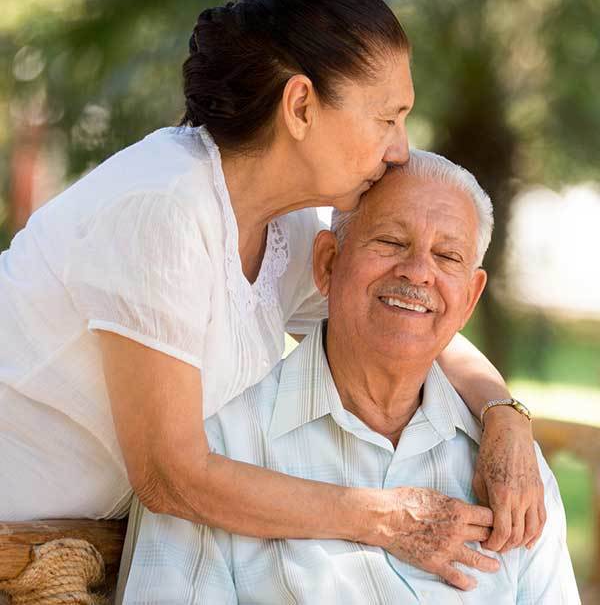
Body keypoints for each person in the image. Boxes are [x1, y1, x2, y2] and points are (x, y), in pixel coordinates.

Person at [0, 0, 542, 580]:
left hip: (60, 553)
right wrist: (384, 519)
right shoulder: (163, 207)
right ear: (301, 105)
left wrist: (505, 419)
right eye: (387, 118)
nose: (399, 149)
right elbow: (171, 476)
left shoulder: (285, 227)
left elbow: (409, 311)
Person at [122, 152, 579, 604]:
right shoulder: (221, 448)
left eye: (446, 256)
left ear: (470, 299)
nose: (418, 272)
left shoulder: (514, 472)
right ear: (327, 263)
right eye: (391, 242)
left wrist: (507, 416)